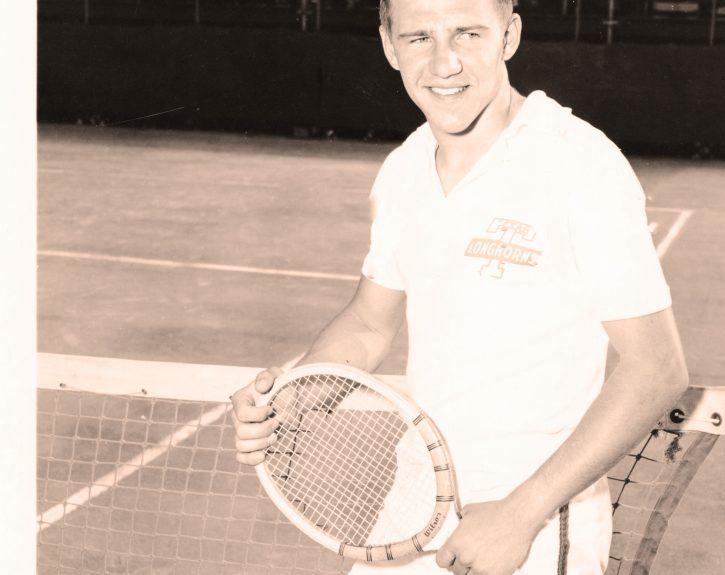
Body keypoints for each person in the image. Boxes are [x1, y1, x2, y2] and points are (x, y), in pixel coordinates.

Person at [230, 1, 690, 574]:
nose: (444, 63)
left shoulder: (577, 163)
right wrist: (291, 397)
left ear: (509, 35)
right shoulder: (404, 168)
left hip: (536, 520)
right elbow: (370, 322)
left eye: (468, 33)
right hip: (415, 503)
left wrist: (522, 514)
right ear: (389, 45)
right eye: (419, 37)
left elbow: (658, 368)